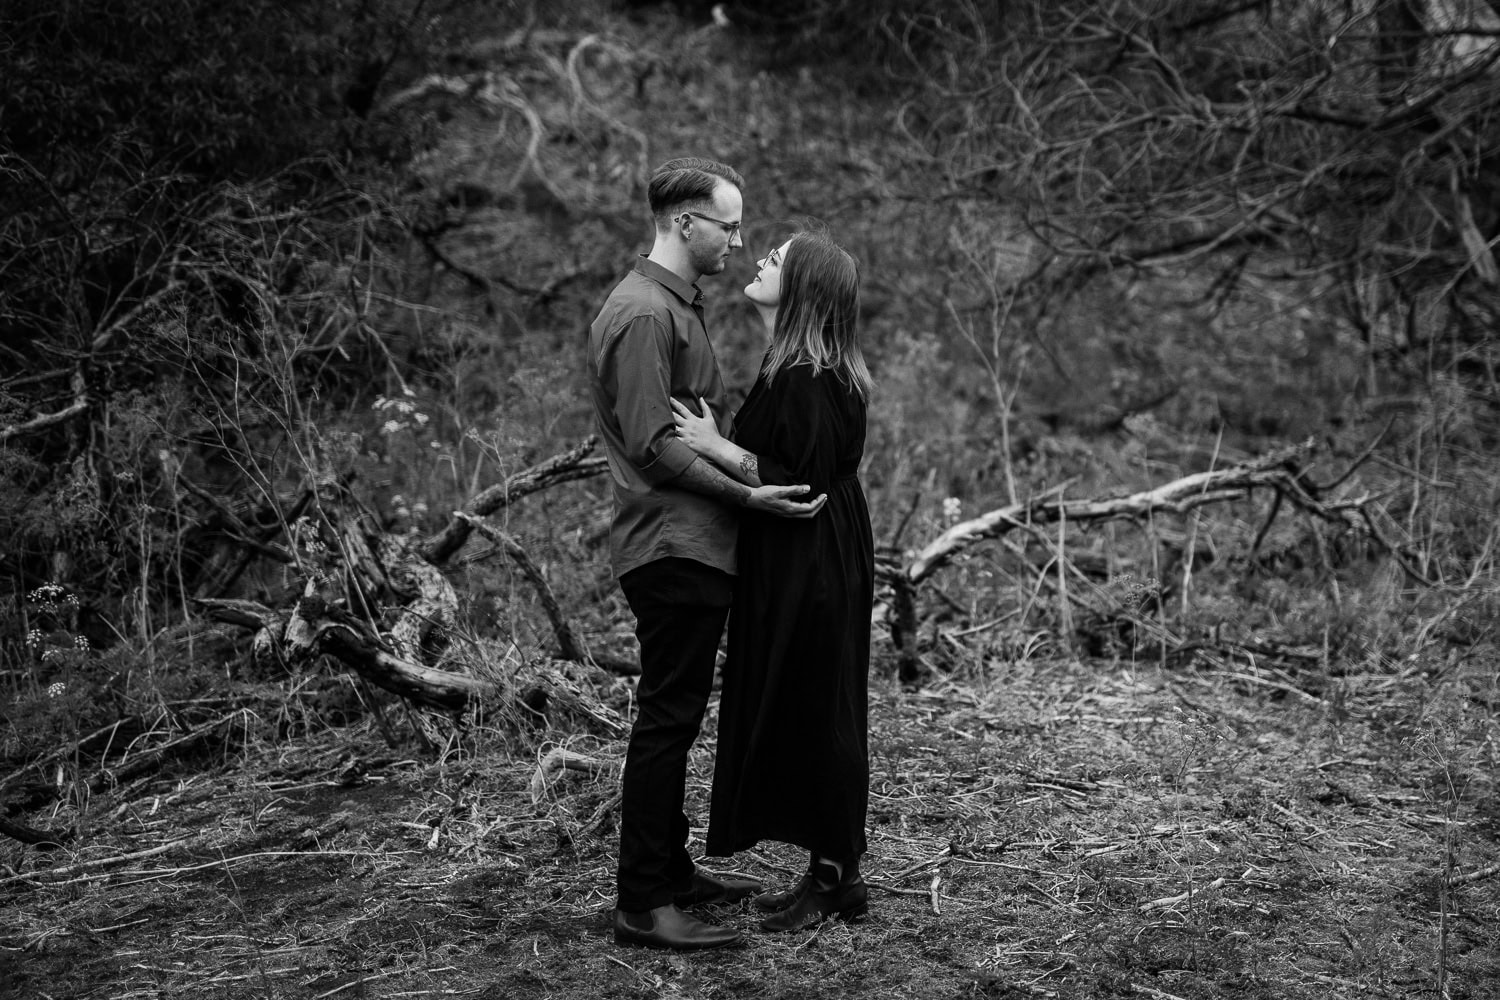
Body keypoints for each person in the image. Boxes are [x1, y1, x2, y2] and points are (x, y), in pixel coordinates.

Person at [588, 157, 828, 951]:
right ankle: (642, 903)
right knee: (665, 719)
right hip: (670, 543)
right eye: (728, 224)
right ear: (684, 223)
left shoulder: (673, 306)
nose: (737, 239)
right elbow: (654, 446)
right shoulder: (645, 315)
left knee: (679, 715)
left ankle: (670, 869)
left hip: (693, 544)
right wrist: (747, 495)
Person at [671, 230, 875, 933]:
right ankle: (830, 871)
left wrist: (715, 446)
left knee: (817, 701)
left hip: (811, 554)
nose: (760, 261)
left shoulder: (805, 377)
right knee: (813, 697)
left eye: (777, 261)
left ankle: (837, 878)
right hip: (818, 548)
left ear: (803, 289)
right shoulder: (802, 366)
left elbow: (799, 481)